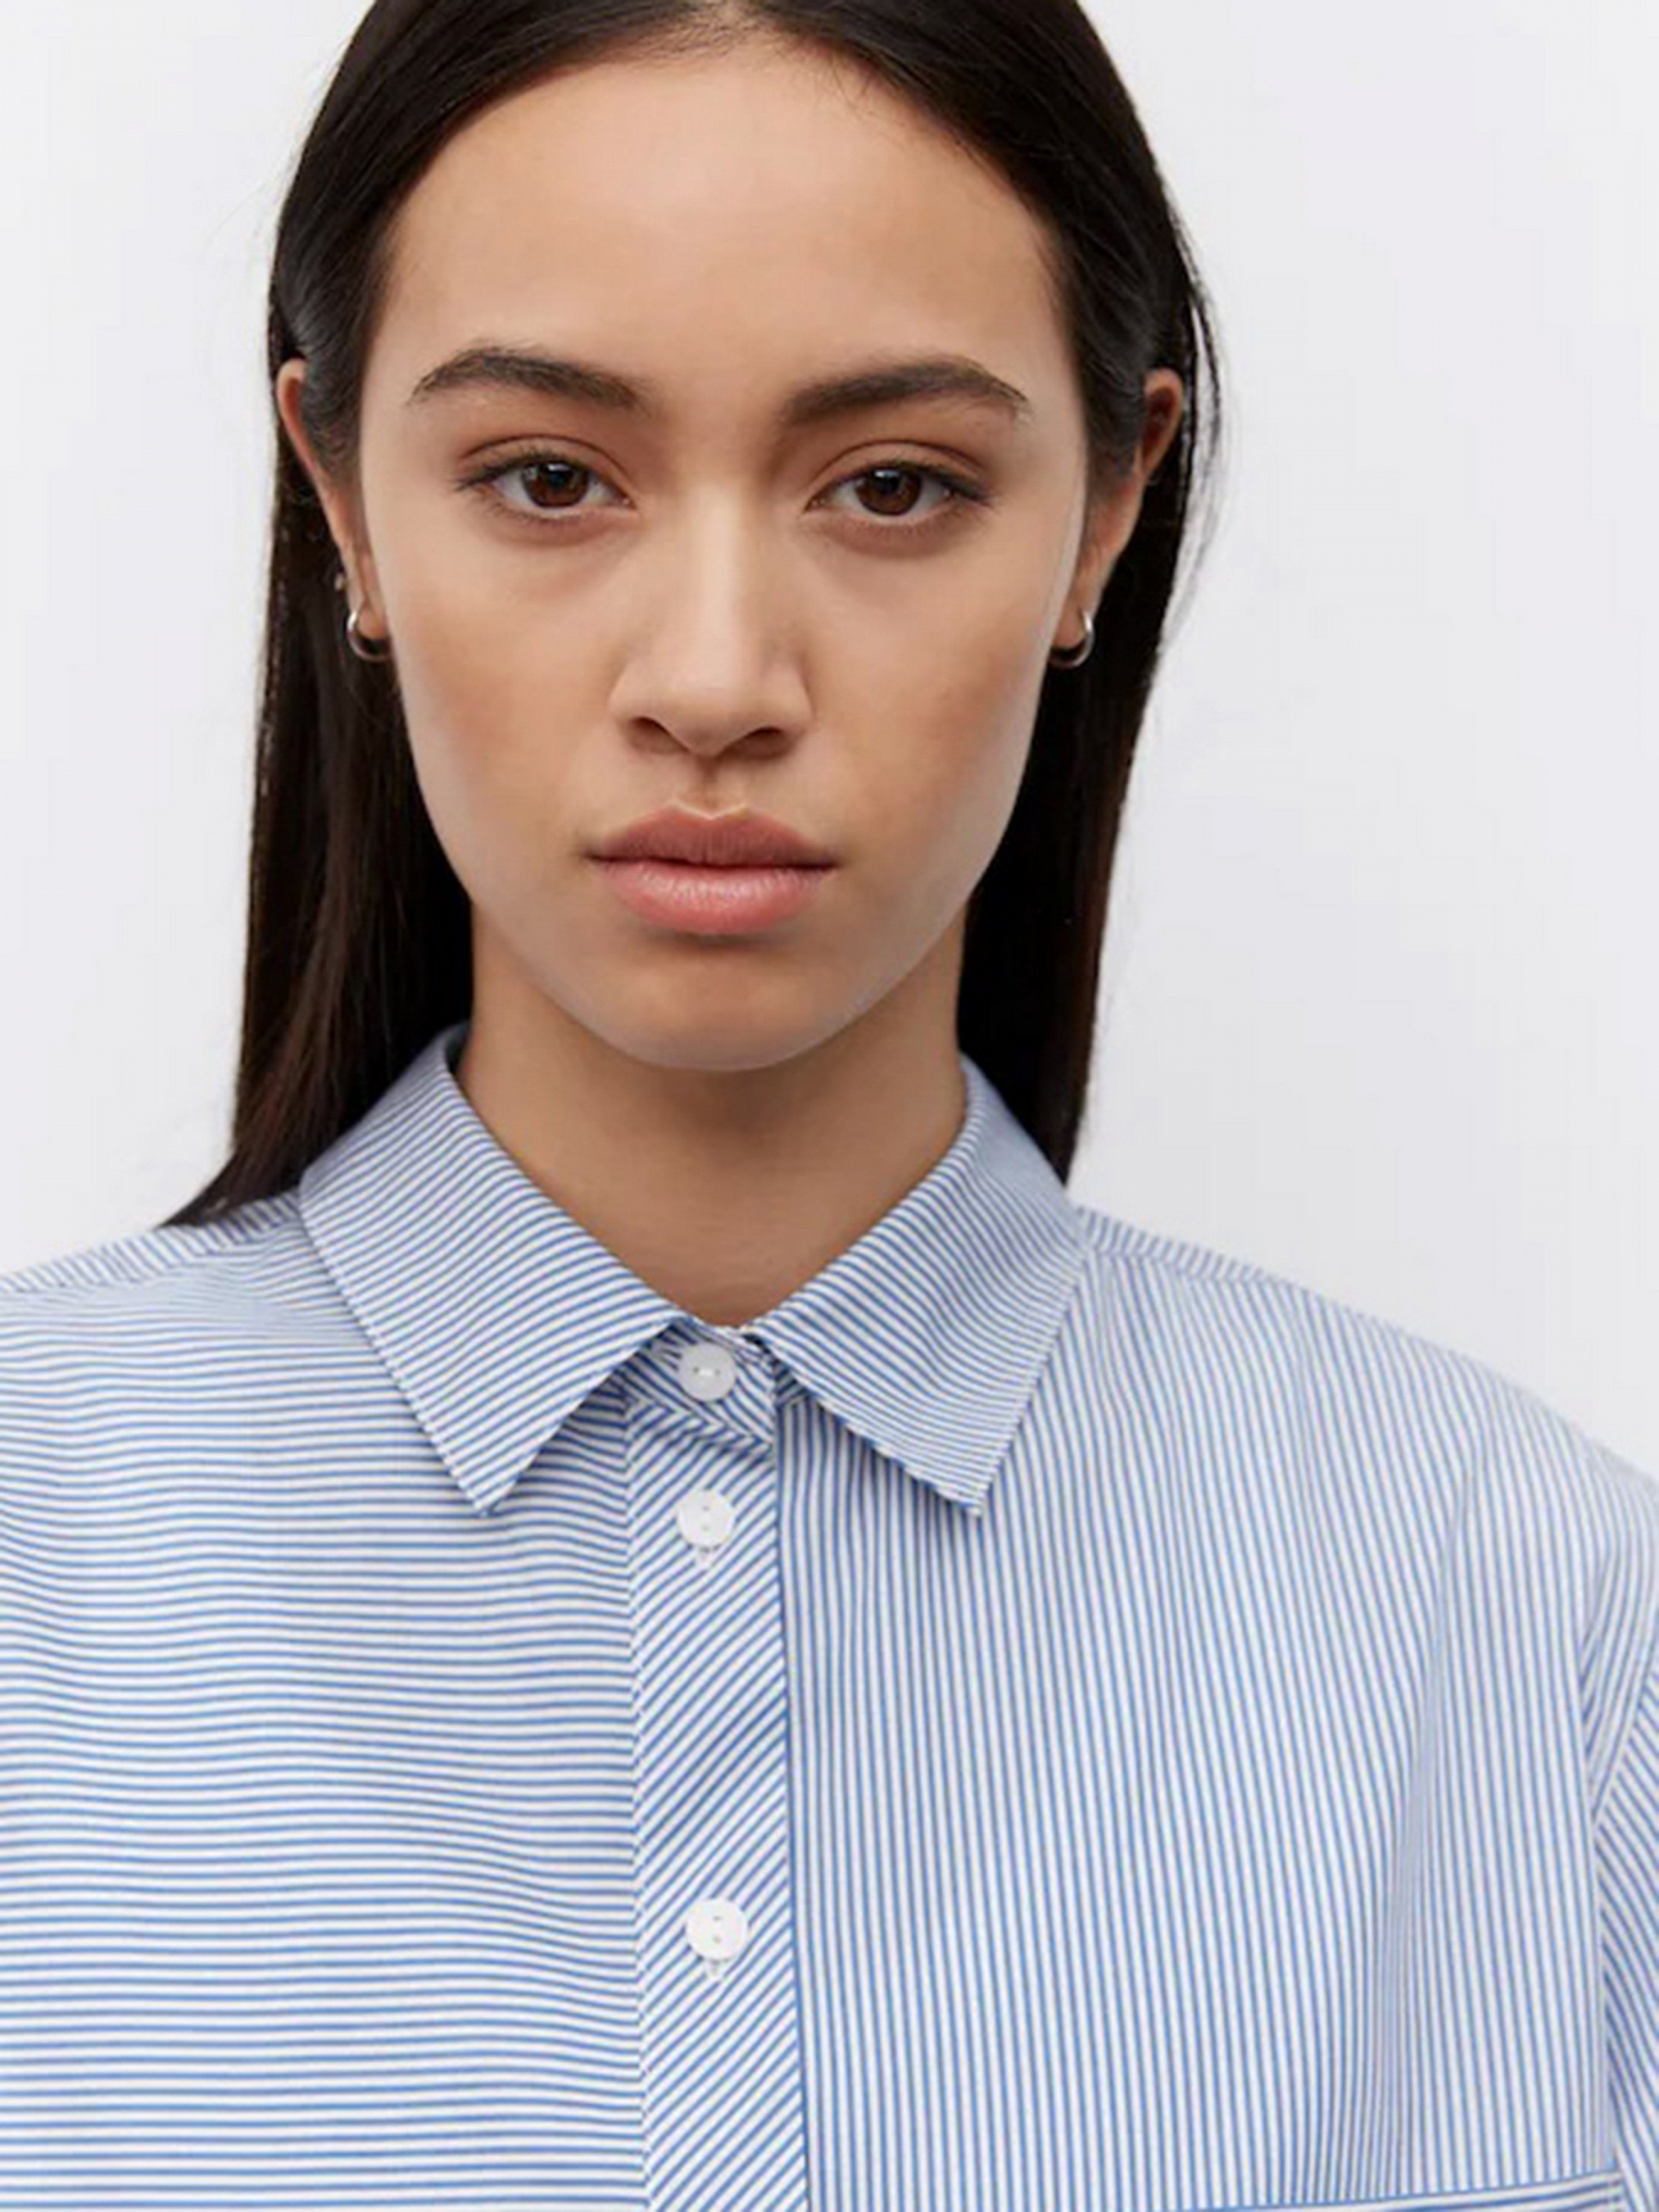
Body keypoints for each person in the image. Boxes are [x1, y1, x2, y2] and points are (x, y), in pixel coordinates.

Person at [1, 0, 1653, 2205]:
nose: (713, 679)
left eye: (893, 485)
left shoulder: (1525, 1619)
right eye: (549, 477)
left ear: (1106, 508)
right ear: (343, 499)